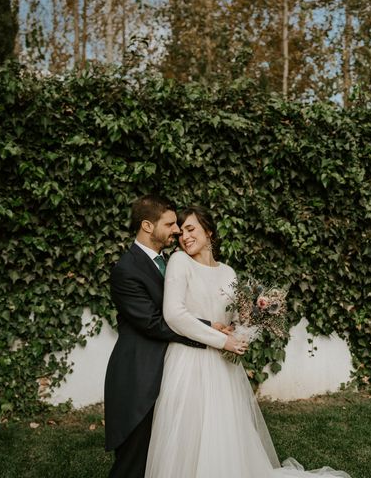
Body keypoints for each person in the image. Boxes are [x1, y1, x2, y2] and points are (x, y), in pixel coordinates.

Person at [145, 204, 350, 478]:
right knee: (189, 430)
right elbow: (174, 315)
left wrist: (243, 328)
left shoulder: (228, 273)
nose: (185, 237)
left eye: (191, 229)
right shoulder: (180, 262)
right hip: (188, 361)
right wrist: (222, 341)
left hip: (222, 367)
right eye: (181, 232)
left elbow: (233, 318)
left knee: (223, 431)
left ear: (209, 231)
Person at [104, 195, 247, 478]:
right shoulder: (126, 270)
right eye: (171, 224)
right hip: (139, 374)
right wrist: (212, 335)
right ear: (147, 225)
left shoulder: (169, 262)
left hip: (171, 371)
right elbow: (155, 322)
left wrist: (215, 325)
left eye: (182, 226)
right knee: (133, 462)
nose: (178, 231)